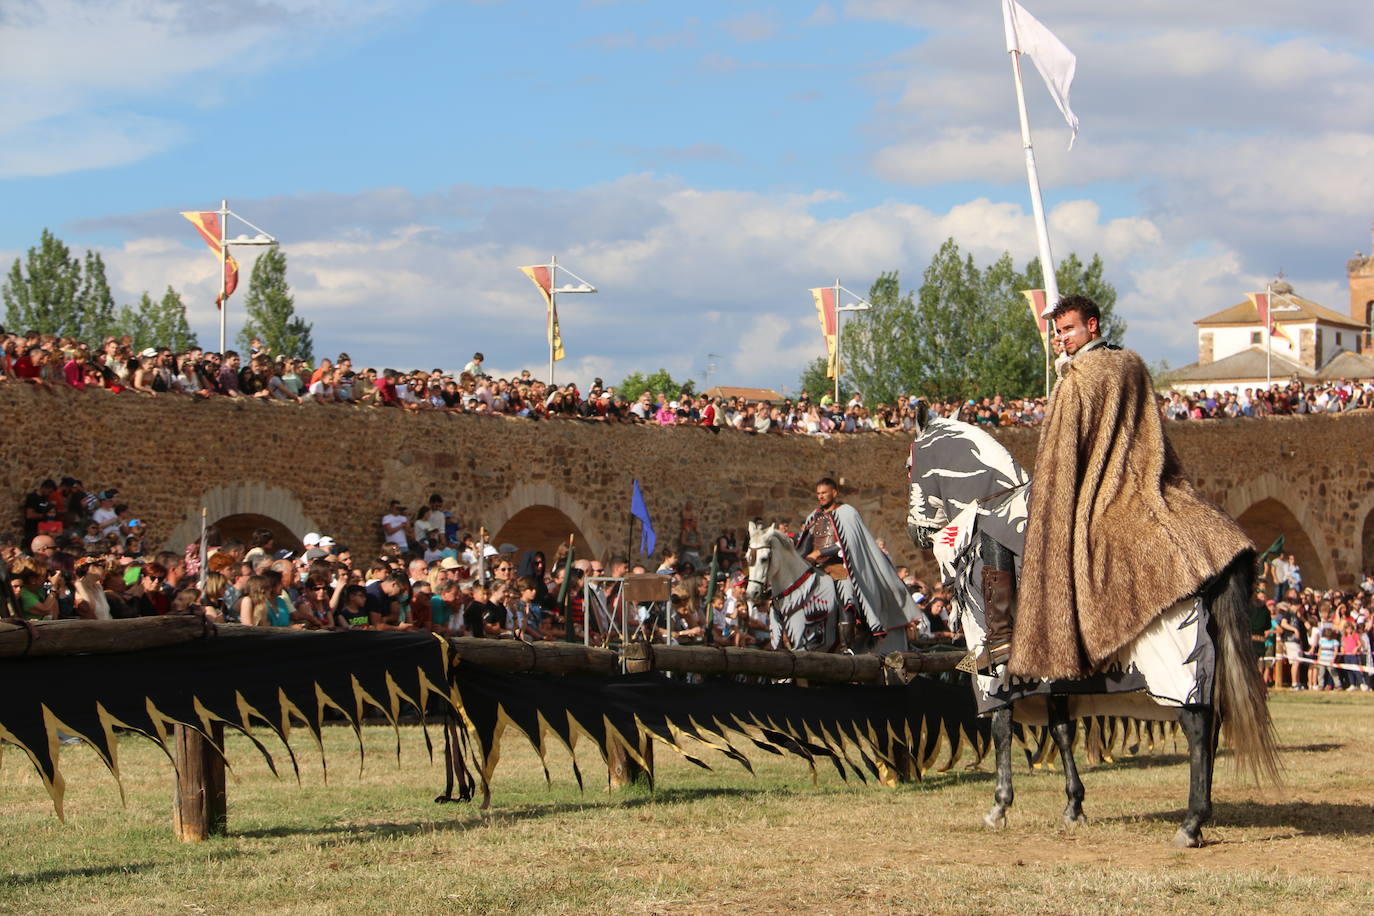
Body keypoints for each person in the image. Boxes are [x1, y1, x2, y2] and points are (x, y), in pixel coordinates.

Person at [1013, 295, 1253, 680]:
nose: (1061, 339)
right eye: (1057, 333)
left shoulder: (1077, 380)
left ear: (1092, 326)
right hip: (1147, 480)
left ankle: (1077, 654)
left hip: (1104, 493)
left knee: (1075, 554)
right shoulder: (1132, 365)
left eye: (1068, 330)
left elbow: (1061, 459)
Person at [796, 477, 919, 652]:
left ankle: (847, 646)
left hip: (842, 569)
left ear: (834, 493)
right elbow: (804, 545)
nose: (820, 497)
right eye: (818, 494)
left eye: (824, 493)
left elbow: (850, 542)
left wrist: (820, 553)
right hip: (818, 570)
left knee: (846, 597)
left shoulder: (847, 513)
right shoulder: (814, 517)